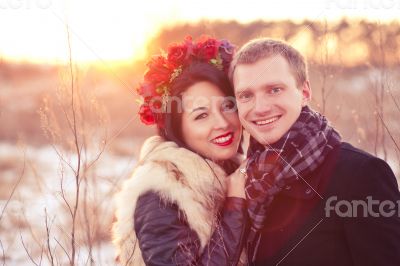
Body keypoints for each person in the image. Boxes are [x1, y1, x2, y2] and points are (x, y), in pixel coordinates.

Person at [229, 38, 400, 266]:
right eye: (246, 95)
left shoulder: (361, 175)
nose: (260, 107)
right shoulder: (249, 181)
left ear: (305, 92)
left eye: (274, 90)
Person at [112, 36, 248, 266]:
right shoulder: (161, 193)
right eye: (201, 115)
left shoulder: (239, 171)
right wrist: (235, 207)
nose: (223, 123)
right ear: (177, 129)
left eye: (228, 105)